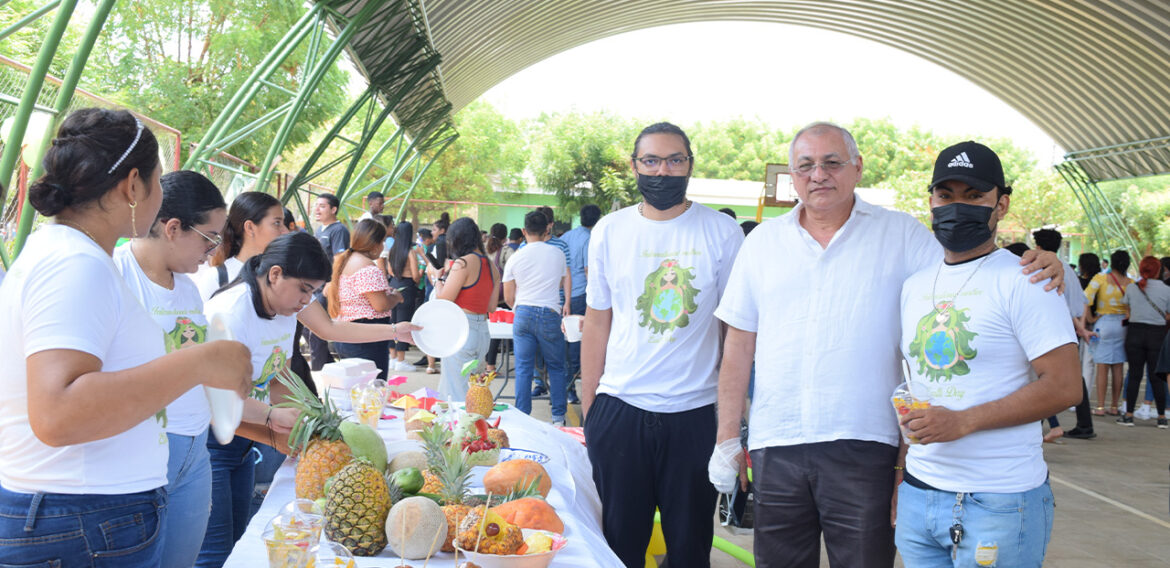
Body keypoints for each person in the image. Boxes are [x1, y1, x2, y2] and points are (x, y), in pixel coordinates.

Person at [711, 128, 1065, 568]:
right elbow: (739, 345)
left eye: (832, 162)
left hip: (866, 446)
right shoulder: (763, 242)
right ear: (793, 175)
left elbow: (970, 265)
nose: (818, 174)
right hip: (776, 444)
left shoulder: (903, 235)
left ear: (857, 168)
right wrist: (728, 436)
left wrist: (1037, 259)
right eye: (805, 165)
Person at [0, 108, 251, 567]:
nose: (160, 197)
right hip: (80, 518)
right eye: (157, 182)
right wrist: (199, 362)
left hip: (87, 516)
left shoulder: (75, 256)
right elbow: (58, 413)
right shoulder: (74, 264)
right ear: (133, 186)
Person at [895, 141, 1080, 567]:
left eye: (974, 196)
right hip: (921, 495)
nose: (957, 207)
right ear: (931, 200)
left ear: (1002, 205)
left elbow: (1066, 387)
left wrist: (963, 421)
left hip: (999, 499)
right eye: (946, 195)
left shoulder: (1028, 280)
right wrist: (901, 475)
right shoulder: (915, 285)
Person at [198, 232, 416, 566]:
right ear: (275, 274)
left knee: (237, 538)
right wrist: (272, 421)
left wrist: (298, 429)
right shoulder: (230, 312)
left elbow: (281, 377)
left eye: (313, 292)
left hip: (242, 440)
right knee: (214, 549)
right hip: (210, 442)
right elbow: (213, 399)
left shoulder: (284, 304)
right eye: (304, 290)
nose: (307, 300)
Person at [582, 122, 744, 567]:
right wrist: (590, 401)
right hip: (620, 410)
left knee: (690, 548)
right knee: (619, 545)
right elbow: (598, 319)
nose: (663, 171)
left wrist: (733, 417)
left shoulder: (723, 233)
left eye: (675, 160)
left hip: (694, 416)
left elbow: (735, 331)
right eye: (651, 161)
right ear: (635, 166)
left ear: (690, 165)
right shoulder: (610, 231)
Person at [114, 170, 239, 567]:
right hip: (141, 450)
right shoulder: (115, 274)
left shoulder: (187, 286)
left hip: (194, 450)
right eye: (210, 238)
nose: (214, 250)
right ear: (172, 228)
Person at [504, 211, 570, 424]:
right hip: (550, 313)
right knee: (556, 367)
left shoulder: (515, 257)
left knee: (523, 367)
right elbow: (560, 283)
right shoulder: (557, 254)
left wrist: (520, 306)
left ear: (524, 231)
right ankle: (558, 417)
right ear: (547, 229)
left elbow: (507, 296)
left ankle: (523, 417)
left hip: (522, 312)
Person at [1032, 228, 1097, 440]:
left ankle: (1046, 425)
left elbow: (1062, 306)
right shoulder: (1068, 269)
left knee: (1043, 376)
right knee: (1071, 376)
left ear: (1039, 246)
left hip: (1057, 329)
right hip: (1072, 328)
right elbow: (1083, 303)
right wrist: (1081, 327)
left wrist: (1078, 327)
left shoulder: (1045, 269)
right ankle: (1084, 424)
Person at [326, 219, 404, 380]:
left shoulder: (346, 260)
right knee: (371, 390)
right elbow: (381, 305)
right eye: (383, 241)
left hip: (347, 333)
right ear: (375, 245)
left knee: (355, 388)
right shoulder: (367, 268)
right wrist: (395, 298)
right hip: (367, 337)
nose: (384, 246)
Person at [435, 217, 500, 399]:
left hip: (461, 332)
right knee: (472, 393)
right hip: (482, 335)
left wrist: (437, 279)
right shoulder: (492, 268)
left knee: (455, 393)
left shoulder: (462, 263)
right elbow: (491, 307)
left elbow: (444, 300)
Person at [1117, 256, 1170, 427]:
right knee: (1157, 377)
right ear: (1159, 270)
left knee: (1134, 374)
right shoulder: (1166, 290)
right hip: (1158, 335)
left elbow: (1127, 308)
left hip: (1135, 333)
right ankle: (1162, 417)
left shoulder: (1132, 288)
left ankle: (1129, 415)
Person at [561, 204, 601, 404]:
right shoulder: (590, 239)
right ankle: (570, 391)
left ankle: (563, 389)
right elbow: (588, 270)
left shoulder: (567, 236)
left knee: (566, 344)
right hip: (579, 296)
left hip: (564, 295)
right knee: (576, 345)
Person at [530, 206, 571, 398]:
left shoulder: (561, 246)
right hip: (533, 303)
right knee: (536, 350)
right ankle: (539, 382)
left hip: (556, 304)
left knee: (557, 353)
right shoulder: (526, 246)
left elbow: (567, 275)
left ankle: (562, 389)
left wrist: (567, 302)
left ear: (550, 225)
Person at [1084, 250, 1132, 415]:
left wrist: (1090, 319)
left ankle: (1100, 407)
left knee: (1102, 366)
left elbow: (1086, 298)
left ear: (1111, 262)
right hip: (1122, 326)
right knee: (1118, 366)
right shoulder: (1130, 283)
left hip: (1103, 323)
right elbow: (1131, 308)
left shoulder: (1101, 279)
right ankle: (1114, 406)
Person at [307, 193, 349, 370]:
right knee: (309, 326)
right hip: (315, 286)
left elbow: (340, 259)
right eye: (316, 205)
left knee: (316, 328)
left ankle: (319, 367)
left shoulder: (339, 230)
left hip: (327, 287)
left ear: (333, 209)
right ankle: (326, 364)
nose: (317, 209)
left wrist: (332, 283)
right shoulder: (320, 230)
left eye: (322, 206)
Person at [386, 221, 423, 371]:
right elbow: (415, 275)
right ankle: (401, 360)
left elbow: (390, 270)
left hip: (393, 285)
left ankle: (392, 357)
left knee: (392, 323)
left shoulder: (392, 250)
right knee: (403, 323)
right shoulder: (410, 251)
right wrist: (419, 275)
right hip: (407, 288)